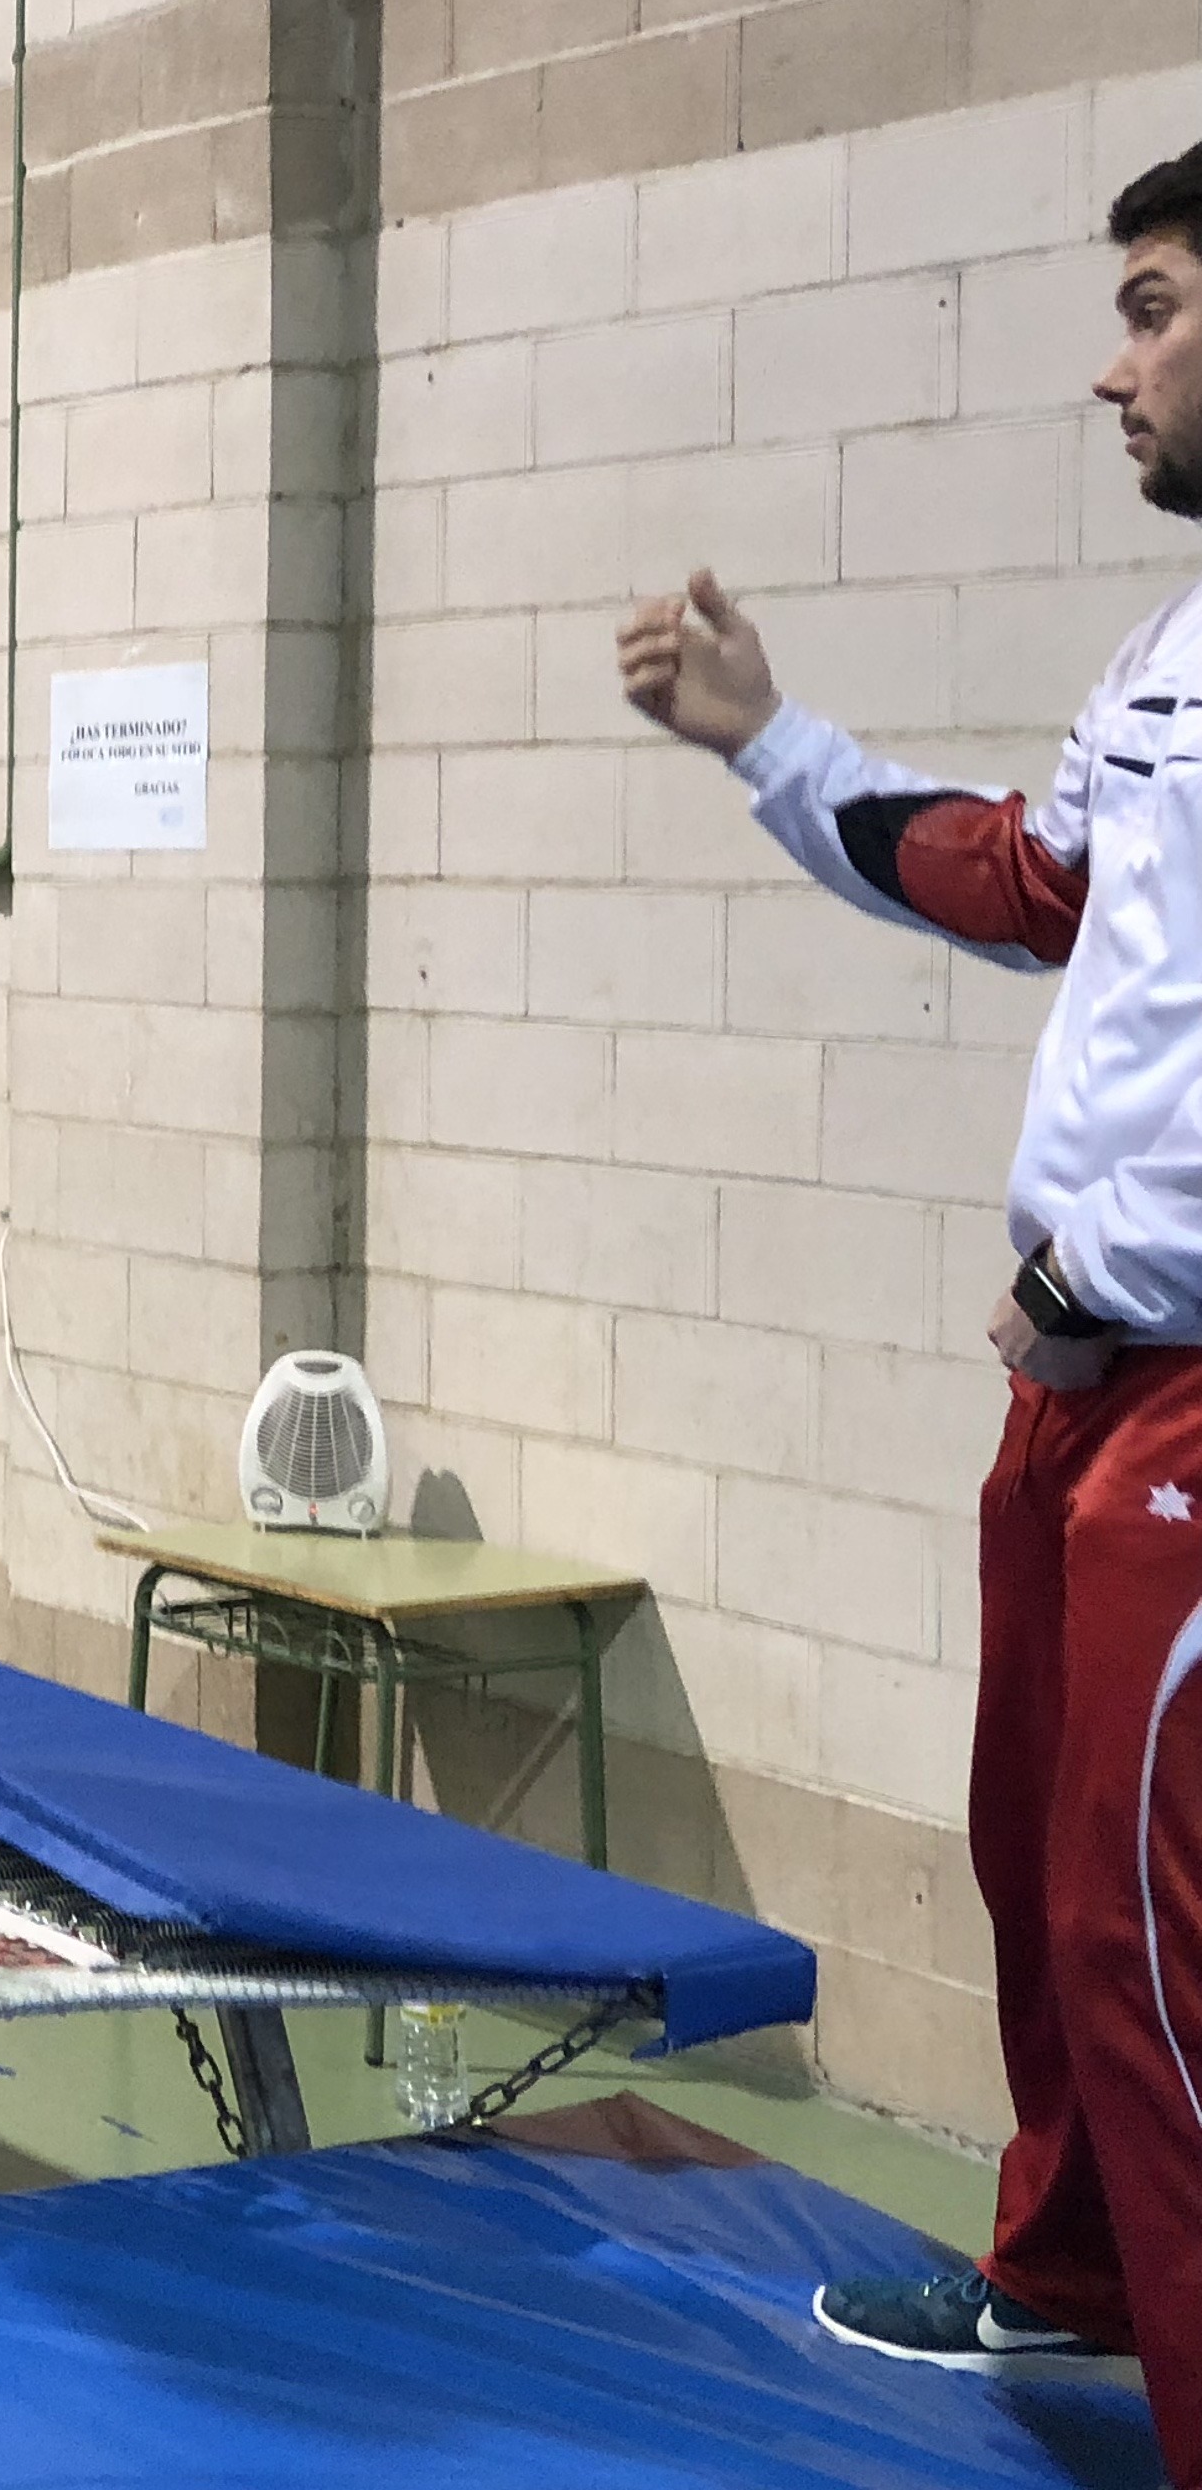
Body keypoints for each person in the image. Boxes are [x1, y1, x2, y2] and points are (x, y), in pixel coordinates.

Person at [616, 140, 1202, 2465]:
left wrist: (1103, 1270)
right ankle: (1069, 2282)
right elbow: (1034, 883)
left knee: (1154, 1939)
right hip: (1086, 1379)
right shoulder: (1167, 656)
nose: (1110, 367)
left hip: (1171, 1372)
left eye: (1153, 308)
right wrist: (775, 744)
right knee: (1044, 1863)